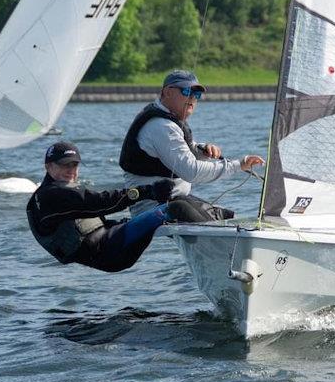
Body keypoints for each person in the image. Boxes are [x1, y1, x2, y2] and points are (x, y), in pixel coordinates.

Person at [119, 70, 265, 220]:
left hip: (175, 200)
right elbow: (191, 171)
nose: (192, 99)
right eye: (187, 91)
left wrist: (201, 151)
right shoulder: (161, 126)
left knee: (229, 217)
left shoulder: (168, 120)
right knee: (208, 223)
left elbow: (179, 153)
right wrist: (238, 165)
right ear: (168, 92)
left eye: (196, 95)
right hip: (151, 207)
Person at [27, 141, 184, 273]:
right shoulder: (50, 196)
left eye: (74, 165)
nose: (71, 170)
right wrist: (148, 191)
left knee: (175, 207)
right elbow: (99, 202)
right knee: (175, 208)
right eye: (64, 165)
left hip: (111, 241)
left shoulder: (61, 190)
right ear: (48, 167)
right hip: (110, 252)